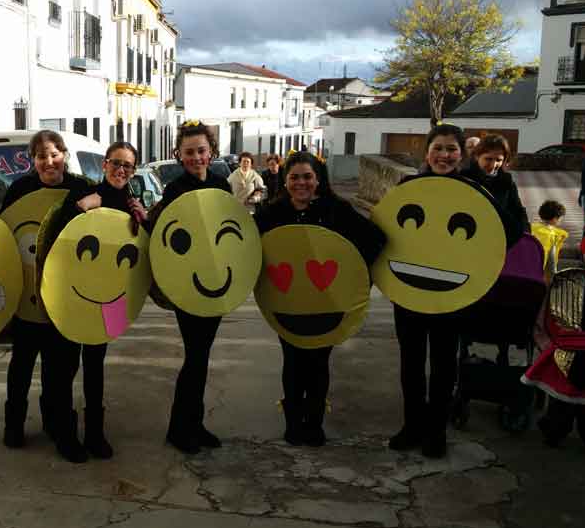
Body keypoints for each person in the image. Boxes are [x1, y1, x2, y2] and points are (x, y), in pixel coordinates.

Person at [388, 124, 520, 459]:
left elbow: (512, 230)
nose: (444, 155)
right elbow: (387, 230)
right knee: (411, 363)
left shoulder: (474, 190)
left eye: (451, 149)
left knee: (445, 365)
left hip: (454, 293)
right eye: (438, 148)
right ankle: (411, 426)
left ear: (462, 155)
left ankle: (436, 432)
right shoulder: (409, 186)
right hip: (410, 291)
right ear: (427, 152)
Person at [253, 152, 385, 446]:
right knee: (293, 362)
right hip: (286, 304)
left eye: (307, 176)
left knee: (318, 363)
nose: (301, 183)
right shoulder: (270, 214)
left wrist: (354, 277)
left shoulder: (337, 209)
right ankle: (292, 423)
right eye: (295, 177)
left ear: (318, 179)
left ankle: (314, 423)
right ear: (285, 181)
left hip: (327, 304)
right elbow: (248, 251)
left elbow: (375, 240)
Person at [42, 142, 148, 459]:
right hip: (74, 294)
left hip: (111, 297)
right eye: (116, 163)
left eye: (128, 166)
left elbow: (145, 254)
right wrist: (78, 208)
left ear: (133, 171)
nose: (121, 170)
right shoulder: (85, 193)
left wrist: (146, 222)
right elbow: (54, 235)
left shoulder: (130, 205)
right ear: (104, 164)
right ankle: (65, 435)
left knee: (95, 365)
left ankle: (95, 434)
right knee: (66, 365)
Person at [0, 130, 90, 463]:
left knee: (62, 370)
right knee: (21, 368)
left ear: (64, 154)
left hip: (66, 298)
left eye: (54, 154)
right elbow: (3, 236)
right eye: (41, 156)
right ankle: (14, 427)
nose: (48, 162)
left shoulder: (81, 187)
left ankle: (62, 431)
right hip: (26, 297)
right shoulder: (20, 189)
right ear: (32, 160)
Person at [147, 121, 233, 455]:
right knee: (196, 357)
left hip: (218, 282)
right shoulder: (175, 190)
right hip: (188, 287)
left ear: (210, 152)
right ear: (178, 155)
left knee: (201, 357)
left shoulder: (221, 185)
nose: (196, 157)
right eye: (189, 152)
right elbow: (161, 236)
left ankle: (192, 425)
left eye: (201, 151)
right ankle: (181, 429)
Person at [526, 234, 585, 456]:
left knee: (561, 401)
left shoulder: (562, 281)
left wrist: (549, 346)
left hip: (565, 354)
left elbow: (545, 321)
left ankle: (554, 433)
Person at [461, 134, 529, 239]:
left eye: (498, 160)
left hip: (497, 238)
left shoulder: (506, 181)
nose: (493, 165)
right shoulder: (464, 178)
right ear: (477, 156)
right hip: (468, 237)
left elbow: (517, 211)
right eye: (488, 159)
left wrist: (525, 235)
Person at [531, 200, 569, 279]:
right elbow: (551, 264)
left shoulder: (531, 228)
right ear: (555, 218)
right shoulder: (552, 236)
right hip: (539, 275)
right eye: (561, 218)